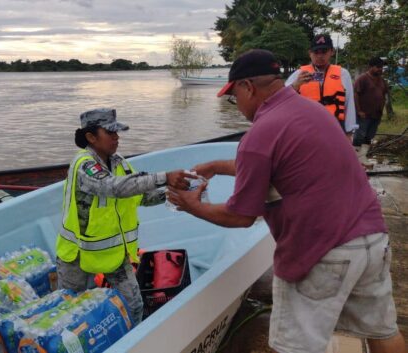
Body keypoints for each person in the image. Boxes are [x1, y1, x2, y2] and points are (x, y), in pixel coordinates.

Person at [168, 49, 405, 353]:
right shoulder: (312, 111)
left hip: (322, 251)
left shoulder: (261, 134)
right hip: (371, 239)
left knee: (296, 347)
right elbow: (279, 163)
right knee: (382, 331)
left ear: (247, 87)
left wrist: (190, 205)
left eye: (233, 97)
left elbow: (241, 216)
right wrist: (216, 166)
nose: (236, 106)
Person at [55, 108, 190, 325]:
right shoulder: (84, 164)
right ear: (91, 137)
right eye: (110, 133)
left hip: (113, 254)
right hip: (77, 255)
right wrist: (165, 177)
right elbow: (113, 187)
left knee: (134, 305)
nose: (117, 137)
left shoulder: (118, 162)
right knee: (71, 311)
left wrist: (173, 194)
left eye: (117, 132)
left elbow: (140, 195)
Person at [286, 33, 357, 135]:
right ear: (310, 53)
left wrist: (349, 131)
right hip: (305, 128)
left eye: (324, 52)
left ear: (331, 52)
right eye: (316, 52)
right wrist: (295, 85)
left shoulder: (343, 74)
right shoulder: (298, 74)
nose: (320, 56)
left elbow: (349, 104)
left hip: (335, 127)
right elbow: (281, 99)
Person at [353, 57, 388, 166]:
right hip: (364, 114)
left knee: (369, 136)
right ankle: (354, 159)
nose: (380, 69)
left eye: (381, 67)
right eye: (378, 67)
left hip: (376, 114)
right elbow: (356, 94)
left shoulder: (382, 80)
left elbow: (383, 95)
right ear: (370, 67)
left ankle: (363, 158)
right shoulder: (362, 79)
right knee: (359, 136)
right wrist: (359, 110)